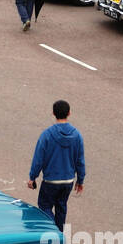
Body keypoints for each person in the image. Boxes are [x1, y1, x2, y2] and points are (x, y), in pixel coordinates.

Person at [26, 99, 86, 232]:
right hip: (68, 181)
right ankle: (59, 234)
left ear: (53, 113)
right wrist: (80, 180)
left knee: (44, 205)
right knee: (61, 206)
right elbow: (80, 160)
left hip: (51, 181)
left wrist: (32, 177)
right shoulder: (77, 135)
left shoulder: (47, 135)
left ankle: (52, 231)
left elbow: (38, 159)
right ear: (69, 113)